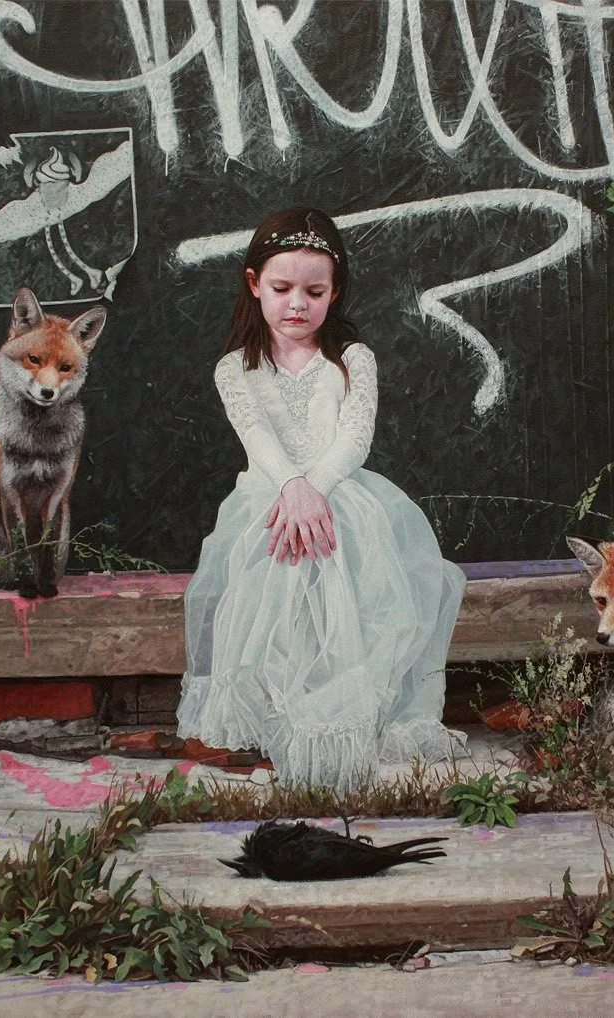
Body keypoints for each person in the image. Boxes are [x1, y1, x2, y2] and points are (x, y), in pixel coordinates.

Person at [177, 208, 468, 792]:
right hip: (270, 496)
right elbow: (255, 436)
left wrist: (315, 489)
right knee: (275, 593)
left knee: (346, 600)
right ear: (254, 283)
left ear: (334, 294)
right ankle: (282, 727)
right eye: (282, 288)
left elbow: (355, 437)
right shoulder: (235, 368)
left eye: (314, 291)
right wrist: (292, 487)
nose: (296, 305)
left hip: (343, 495)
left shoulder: (352, 359)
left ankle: (340, 725)